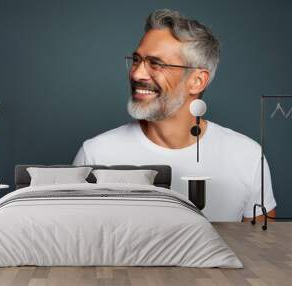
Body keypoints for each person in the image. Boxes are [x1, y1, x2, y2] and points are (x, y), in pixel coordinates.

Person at [72, 9, 276, 222]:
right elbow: (77, 245)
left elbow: (262, 247)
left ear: (197, 81)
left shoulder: (247, 157)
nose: (137, 74)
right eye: (136, 60)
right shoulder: (96, 155)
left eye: (156, 64)